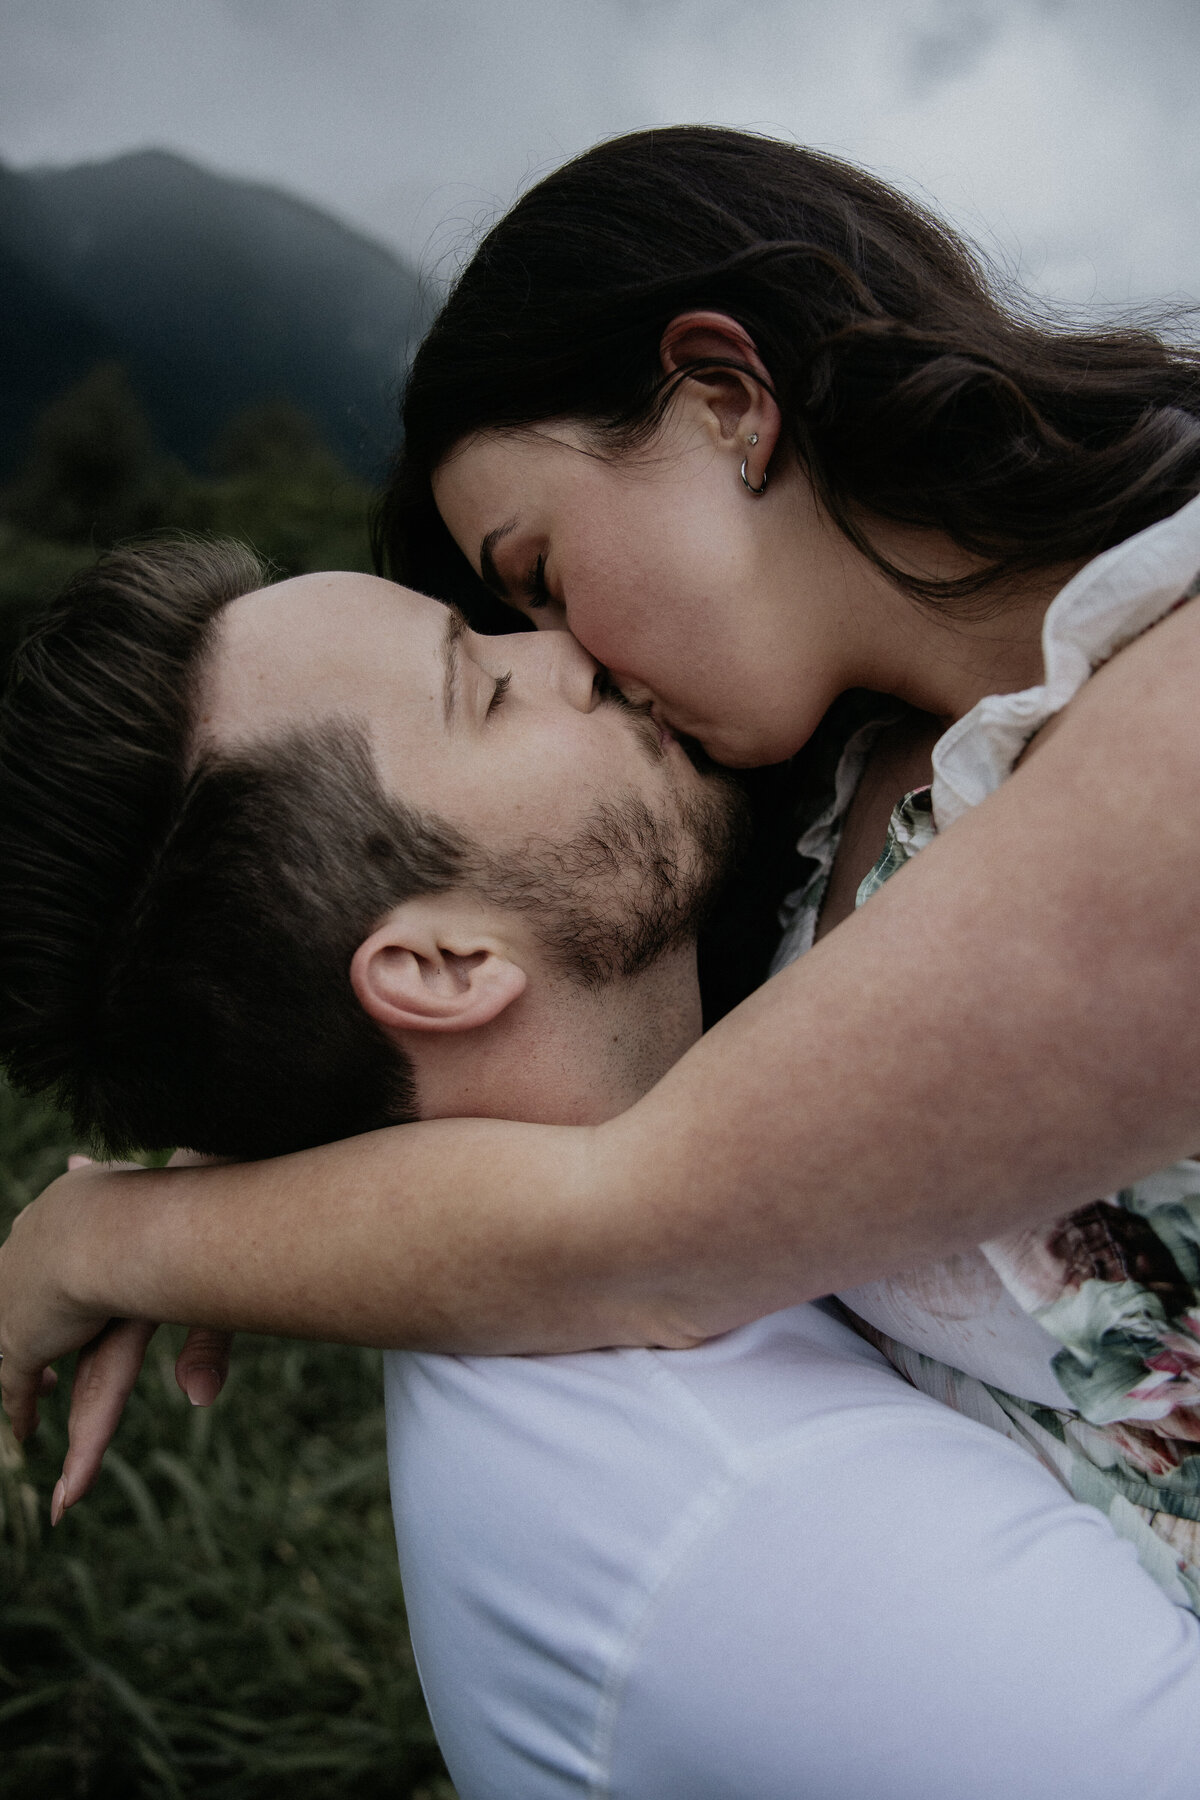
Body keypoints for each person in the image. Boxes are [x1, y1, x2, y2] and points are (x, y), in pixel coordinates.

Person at [6, 122, 1200, 1559]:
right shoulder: (837, 809)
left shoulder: (1172, 688)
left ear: (722, 404)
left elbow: (635, 1225)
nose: (571, 658)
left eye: (537, 574)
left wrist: (101, 1240)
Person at [2, 538, 1200, 1800]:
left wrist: (144, 1221)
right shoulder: (747, 1534)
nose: (573, 653)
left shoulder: (608, 1190)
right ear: (445, 968)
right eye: (486, 688)